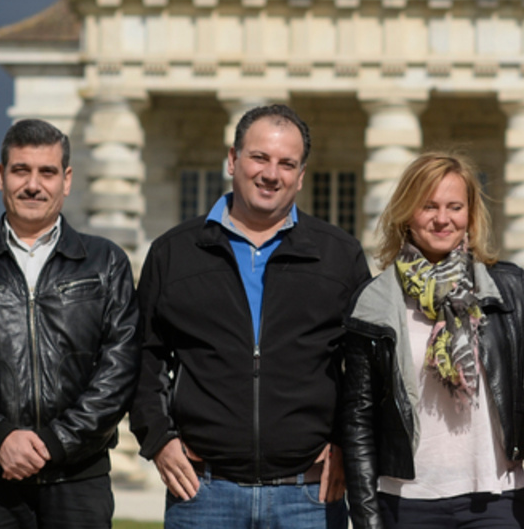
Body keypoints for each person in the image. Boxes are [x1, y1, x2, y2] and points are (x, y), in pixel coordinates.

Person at [130, 103, 370, 529]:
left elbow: (365, 370)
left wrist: (346, 445)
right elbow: (143, 358)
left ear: (300, 174)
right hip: (204, 494)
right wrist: (159, 440)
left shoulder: (340, 255)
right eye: (259, 157)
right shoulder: (174, 252)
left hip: (308, 496)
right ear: (232, 160)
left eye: (286, 163)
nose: (271, 174)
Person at [0, 118, 141, 529]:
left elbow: (120, 368)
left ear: (67, 180)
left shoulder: (106, 263)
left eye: (47, 172)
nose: (33, 185)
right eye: (21, 170)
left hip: (79, 478)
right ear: (1, 177)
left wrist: (56, 442)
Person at [340, 151, 524, 529]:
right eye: (429, 206)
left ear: (470, 214)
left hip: (496, 499)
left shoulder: (509, 287)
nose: (443, 219)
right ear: (407, 213)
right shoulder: (374, 301)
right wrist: (366, 518)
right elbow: (358, 420)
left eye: (455, 206)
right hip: (406, 502)